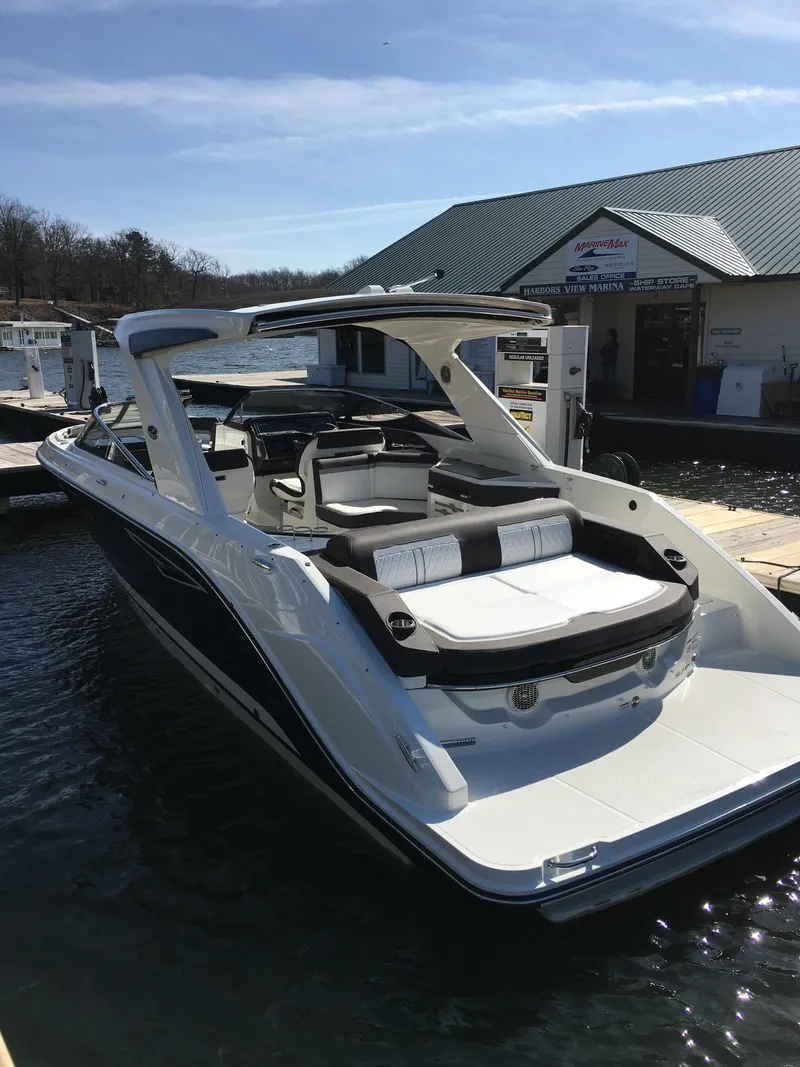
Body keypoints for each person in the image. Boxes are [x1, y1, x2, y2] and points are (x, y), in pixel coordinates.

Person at [601, 328, 619, 400]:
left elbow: (611, 353)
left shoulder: (615, 344)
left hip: (611, 364)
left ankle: (612, 396)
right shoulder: (607, 344)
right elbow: (602, 352)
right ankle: (606, 396)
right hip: (605, 364)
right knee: (605, 380)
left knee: (611, 380)